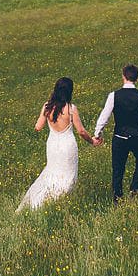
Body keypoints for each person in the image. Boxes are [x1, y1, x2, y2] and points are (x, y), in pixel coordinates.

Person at [17, 76, 100, 211]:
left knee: (52, 171)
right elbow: (81, 131)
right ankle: (58, 199)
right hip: (67, 145)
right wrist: (92, 141)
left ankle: (42, 200)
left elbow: (38, 127)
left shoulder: (47, 106)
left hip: (53, 145)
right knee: (68, 174)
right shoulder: (71, 109)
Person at [92, 64, 138, 202]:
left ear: (123, 76)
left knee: (118, 168)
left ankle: (117, 197)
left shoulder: (114, 96)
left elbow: (104, 117)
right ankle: (134, 189)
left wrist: (97, 133)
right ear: (137, 78)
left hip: (120, 137)